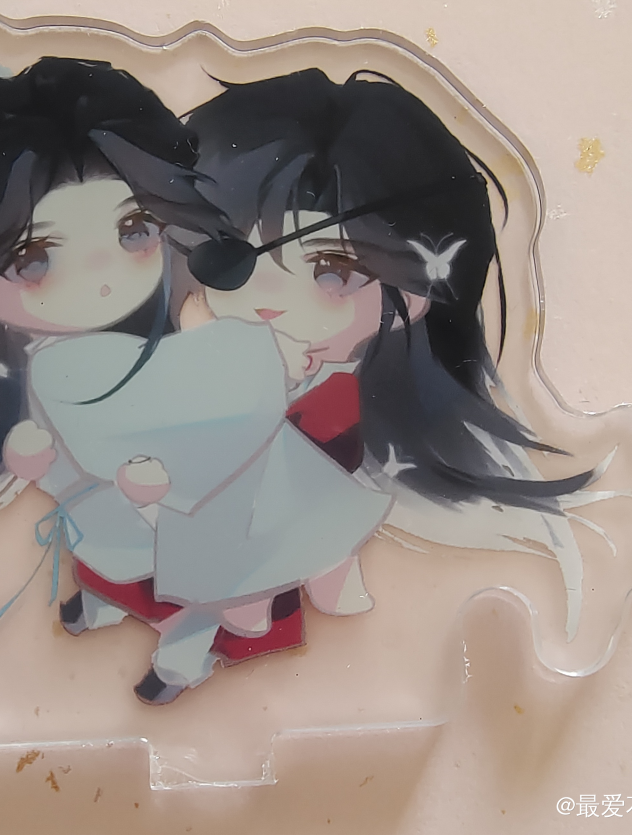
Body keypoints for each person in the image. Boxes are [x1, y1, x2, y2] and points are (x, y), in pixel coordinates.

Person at [0, 46, 390, 706]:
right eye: (34, 259)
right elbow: (73, 435)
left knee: (211, 567)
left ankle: (186, 653)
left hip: (199, 503)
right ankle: (116, 605)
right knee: (127, 551)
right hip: (114, 512)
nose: (102, 277)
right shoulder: (47, 368)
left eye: (133, 229)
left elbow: (232, 411)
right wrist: (41, 461)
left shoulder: (189, 332)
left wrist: (191, 444)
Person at [184, 67, 609, 643]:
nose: (268, 303)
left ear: (416, 293)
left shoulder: (445, 499)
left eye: (331, 271)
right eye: (232, 258)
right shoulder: (202, 381)